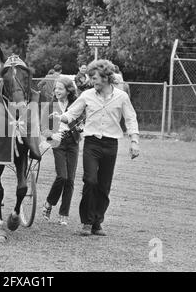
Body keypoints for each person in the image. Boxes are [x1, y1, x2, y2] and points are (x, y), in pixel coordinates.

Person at [53, 59, 140, 237]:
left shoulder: (121, 97)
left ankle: (97, 223)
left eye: (95, 78)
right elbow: (72, 114)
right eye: (91, 78)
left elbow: (130, 118)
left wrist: (134, 141)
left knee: (104, 186)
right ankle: (86, 221)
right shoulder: (87, 95)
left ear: (106, 77)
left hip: (111, 144)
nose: (92, 81)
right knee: (90, 180)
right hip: (91, 143)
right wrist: (60, 117)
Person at [42, 77, 82, 225]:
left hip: (73, 142)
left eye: (60, 88)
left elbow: (80, 124)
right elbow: (43, 128)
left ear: (68, 90)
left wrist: (74, 124)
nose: (57, 91)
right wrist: (52, 135)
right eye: (56, 88)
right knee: (62, 177)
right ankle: (48, 203)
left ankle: (63, 214)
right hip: (58, 142)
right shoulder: (50, 106)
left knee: (70, 180)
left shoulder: (76, 105)